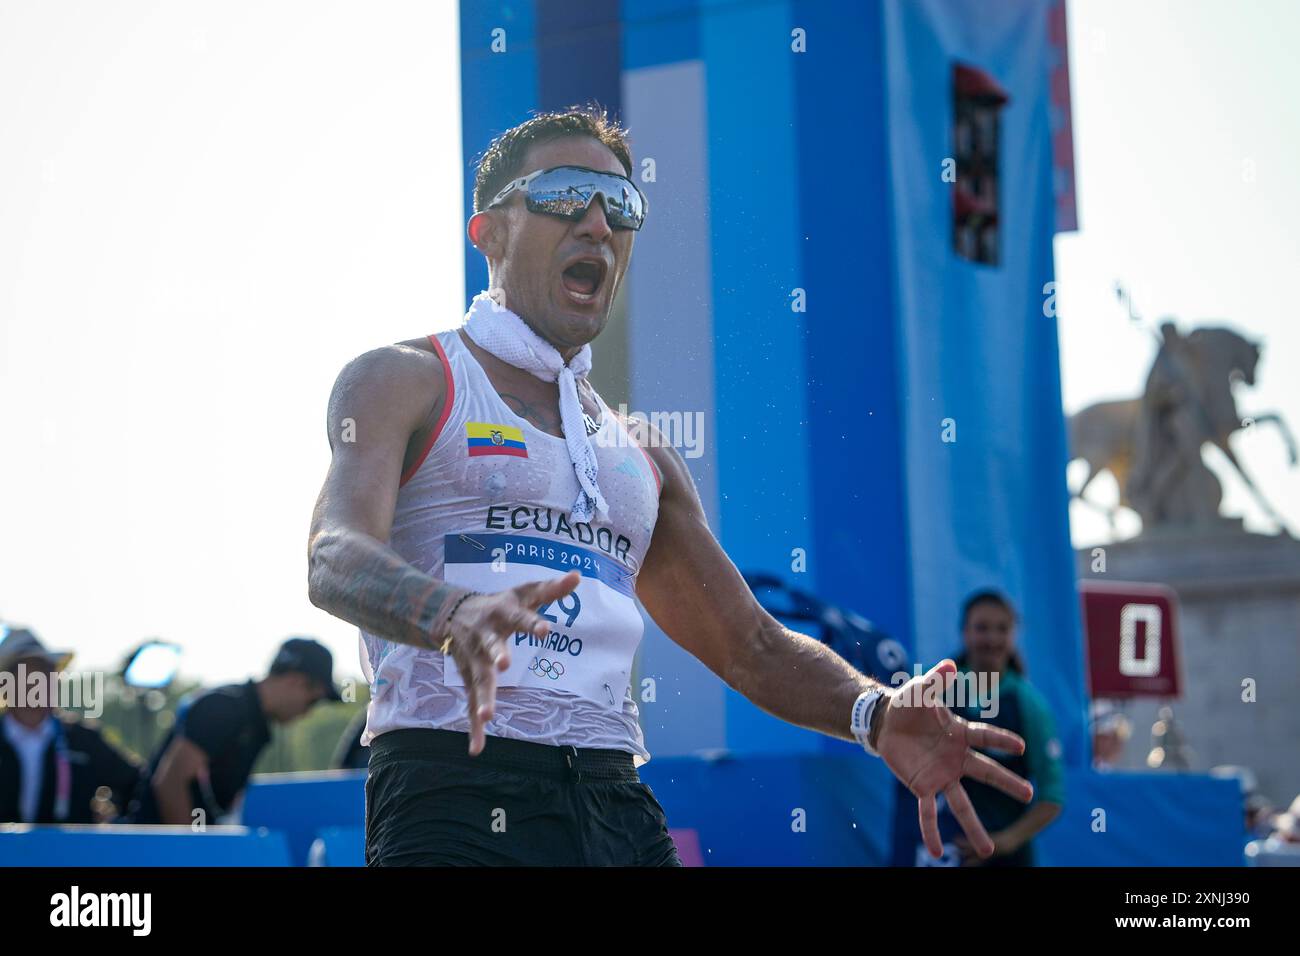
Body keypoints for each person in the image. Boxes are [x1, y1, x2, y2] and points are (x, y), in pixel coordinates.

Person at [307, 105, 1035, 867]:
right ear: (489, 231)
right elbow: (332, 553)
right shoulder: (406, 379)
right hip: (451, 786)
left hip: (614, 797)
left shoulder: (642, 453)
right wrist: (449, 610)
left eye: (620, 204)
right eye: (563, 194)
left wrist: (875, 714)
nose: (596, 222)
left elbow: (751, 644)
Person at [126, 638, 341, 825]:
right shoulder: (225, 707)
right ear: (297, 682)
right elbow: (170, 782)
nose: (308, 713)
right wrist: (192, 852)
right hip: (153, 852)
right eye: (313, 701)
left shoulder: (253, 720)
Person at [948, 590, 1065, 866]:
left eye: (1002, 629)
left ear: (1013, 636)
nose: (991, 639)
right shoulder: (934, 688)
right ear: (965, 633)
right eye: (982, 628)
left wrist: (1003, 842)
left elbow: (1053, 796)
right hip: (934, 853)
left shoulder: (1029, 704)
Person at [0, 626, 142, 824]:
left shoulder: (81, 739)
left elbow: (139, 786)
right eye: (33, 672)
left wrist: (116, 827)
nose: (46, 680)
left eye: (50, 671)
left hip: (67, 854)